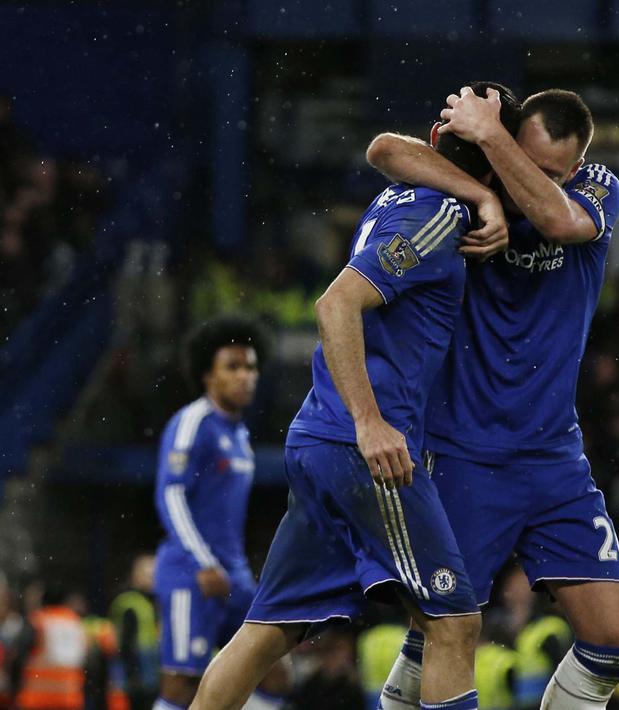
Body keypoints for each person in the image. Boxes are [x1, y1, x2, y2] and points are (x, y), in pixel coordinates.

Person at [188, 82, 523, 710]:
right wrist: (370, 423)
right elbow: (336, 303)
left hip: (318, 437)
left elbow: (383, 148)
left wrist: (477, 188)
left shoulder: (404, 191)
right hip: (365, 450)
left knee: (268, 631)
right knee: (454, 622)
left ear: (435, 141)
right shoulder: (441, 215)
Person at [367, 86, 619, 709]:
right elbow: (384, 150)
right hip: (465, 453)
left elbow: (558, 219)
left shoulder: (595, 192)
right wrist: (483, 189)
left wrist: (493, 143)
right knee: (443, 633)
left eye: (550, 173)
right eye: (522, 158)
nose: (530, 183)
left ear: (574, 170)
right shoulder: (473, 190)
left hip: (554, 459)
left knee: (614, 641)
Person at [151, 316, 287, 710]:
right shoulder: (193, 423)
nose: (245, 376)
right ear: (207, 374)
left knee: (276, 674)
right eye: (233, 367)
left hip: (235, 576)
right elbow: (171, 496)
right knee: (180, 685)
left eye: (251, 367)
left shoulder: (240, 435)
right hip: (192, 575)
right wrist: (204, 563)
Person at [110, 556, 158, 710]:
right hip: (137, 675)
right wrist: (133, 676)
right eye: (148, 574)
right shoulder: (131, 602)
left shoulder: (148, 602)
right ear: (135, 575)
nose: (153, 578)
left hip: (147, 673)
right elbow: (125, 643)